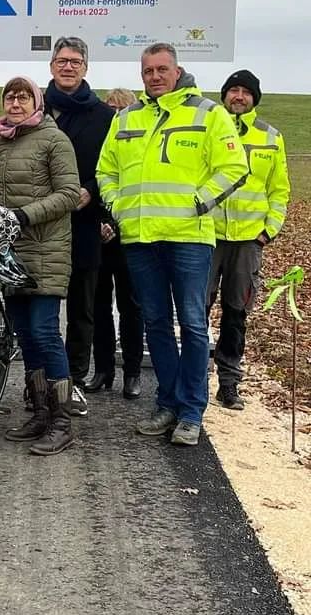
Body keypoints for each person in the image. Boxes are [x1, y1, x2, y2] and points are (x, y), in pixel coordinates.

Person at [97, 43, 248, 446]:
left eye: (163, 69)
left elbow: (235, 167)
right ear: (141, 75)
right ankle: (167, 403)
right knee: (156, 323)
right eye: (148, 71)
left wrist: (198, 203)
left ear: (177, 71)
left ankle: (191, 410)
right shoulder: (127, 117)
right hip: (141, 238)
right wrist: (117, 206)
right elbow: (105, 169)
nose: (155, 76)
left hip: (189, 238)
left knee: (194, 325)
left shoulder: (208, 113)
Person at [0, 77, 80, 455]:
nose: (15, 103)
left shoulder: (54, 140)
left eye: (23, 97)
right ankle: (41, 413)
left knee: (44, 332)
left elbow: (69, 194)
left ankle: (62, 421)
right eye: (10, 97)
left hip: (45, 249)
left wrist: (24, 216)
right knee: (25, 336)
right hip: (11, 254)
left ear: (36, 102)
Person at [209, 69, 290, 409]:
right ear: (224, 95)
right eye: (233, 91)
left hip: (247, 243)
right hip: (208, 238)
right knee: (195, 312)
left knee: (235, 313)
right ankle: (194, 380)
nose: (238, 96)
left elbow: (279, 191)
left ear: (254, 98)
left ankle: (229, 383)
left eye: (245, 92)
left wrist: (266, 231)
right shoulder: (210, 128)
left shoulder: (271, 137)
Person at [43, 38, 115, 416]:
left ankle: (72, 381)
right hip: (41, 226)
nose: (68, 67)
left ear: (86, 68)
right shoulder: (35, 107)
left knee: (82, 308)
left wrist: (92, 193)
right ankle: (42, 382)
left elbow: (112, 167)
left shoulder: (104, 116)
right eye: (61, 60)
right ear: (51, 65)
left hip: (84, 223)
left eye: (75, 61)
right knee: (42, 308)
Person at [85, 87, 143, 400]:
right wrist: (100, 223)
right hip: (99, 232)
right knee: (99, 306)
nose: (114, 115)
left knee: (131, 306)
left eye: (121, 109)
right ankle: (102, 369)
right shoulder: (99, 143)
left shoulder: (136, 146)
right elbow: (96, 183)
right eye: (111, 108)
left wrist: (117, 225)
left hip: (130, 236)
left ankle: (132, 373)